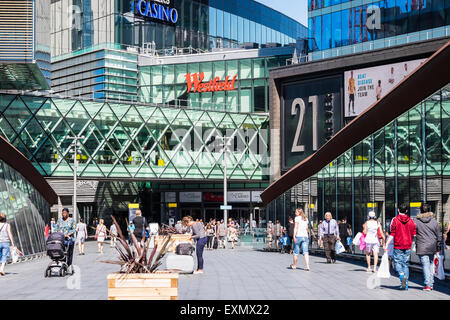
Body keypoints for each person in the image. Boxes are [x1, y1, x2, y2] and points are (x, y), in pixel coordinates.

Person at [384, 203, 416, 290]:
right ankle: (406, 284)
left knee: (397, 262)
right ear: (406, 211)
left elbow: (392, 234)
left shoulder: (395, 220)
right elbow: (414, 233)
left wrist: (386, 244)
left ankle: (402, 276)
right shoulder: (411, 221)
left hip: (398, 245)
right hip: (408, 245)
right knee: (405, 264)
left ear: (398, 210)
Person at [414, 203, 441, 291]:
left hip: (422, 246)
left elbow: (413, 232)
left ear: (420, 210)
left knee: (425, 265)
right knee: (430, 264)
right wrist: (438, 246)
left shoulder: (417, 221)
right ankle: (431, 283)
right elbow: (438, 235)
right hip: (432, 246)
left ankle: (428, 284)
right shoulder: (434, 221)